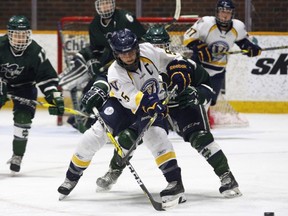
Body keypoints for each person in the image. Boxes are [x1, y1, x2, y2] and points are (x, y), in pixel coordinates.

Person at [96, 25, 242, 198]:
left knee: (200, 137)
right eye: (154, 46)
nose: (158, 50)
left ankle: (227, 176)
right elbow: (120, 87)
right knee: (129, 137)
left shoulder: (182, 63)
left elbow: (207, 86)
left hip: (181, 105)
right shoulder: (134, 66)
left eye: (163, 45)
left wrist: (196, 94)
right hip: (151, 108)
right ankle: (114, 170)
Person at [57, 28, 194, 207]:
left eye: (130, 51)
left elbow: (175, 59)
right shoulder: (115, 73)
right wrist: (152, 103)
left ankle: (175, 182)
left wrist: (179, 70)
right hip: (123, 105)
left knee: (156, 136)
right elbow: (133, 99)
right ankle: (71, 177)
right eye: (122, 54)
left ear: (136, 48)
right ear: (116, 54)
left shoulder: (149, 51)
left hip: (151, 102)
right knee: (94, 135)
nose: (128, 57)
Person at [59, 0, 146, 132]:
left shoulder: (125, 18)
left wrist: (127, 56)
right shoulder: (95, 24)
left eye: (108, 3)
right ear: (97, 6)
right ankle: (86, 117)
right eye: (102, 4)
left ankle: (128, 119)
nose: (105, 7)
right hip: (110, 63)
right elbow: (96, 49)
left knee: (121, 89)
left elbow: (142, 41)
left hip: (130, 62)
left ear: (113, 4)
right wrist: (94, 61)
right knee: (94, 84)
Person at [0, 15, 64, 173]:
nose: (20, 39)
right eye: (16, 35)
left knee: (23, 119)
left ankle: (17, 156)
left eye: (23, 35)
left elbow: (47, 77)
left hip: (25, 88)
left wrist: (53, 96)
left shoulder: (35, 51)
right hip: (2, 84)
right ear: (9, 34)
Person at [183, 0, 262, 126]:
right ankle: (188, 122)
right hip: (199, 68)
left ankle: (196, 121)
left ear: (232, 14)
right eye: (222, 12)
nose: (225, 15)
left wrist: (252, 49)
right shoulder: (206, 23)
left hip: (218, 71)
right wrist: (199, 47)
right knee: (193, 96)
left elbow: (245, 43)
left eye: (228, 12)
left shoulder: (238, 27)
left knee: (211, 101)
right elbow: (187, 37)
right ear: (217, 13)